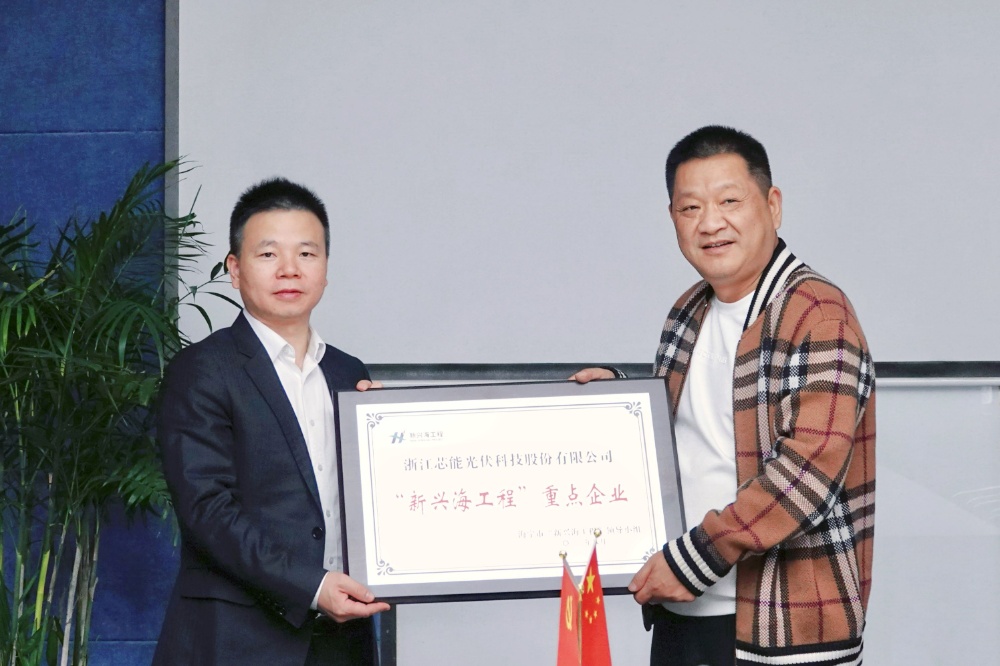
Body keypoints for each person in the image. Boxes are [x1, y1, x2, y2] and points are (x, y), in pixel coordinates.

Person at [572, 125, 875, 665]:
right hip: (681, 608)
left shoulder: (816, 312)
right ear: (673, 219)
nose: (710, 223)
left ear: (772, 205)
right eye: (690, 208)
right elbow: (690, 434)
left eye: (729, 201)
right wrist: (619, 403)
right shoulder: (688, 311)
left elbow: (806, 471)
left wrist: (695, 559)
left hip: (779, 625)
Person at [153, 178, 390, 665]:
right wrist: (314, 586)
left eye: (307, 253)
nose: (289, 269)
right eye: (268, 254)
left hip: (341, 641)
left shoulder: (349, 373)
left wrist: (391, 443)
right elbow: (208, 511)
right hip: (236, 639)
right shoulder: (201, 371)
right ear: (235, 269)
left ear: (326, 268)